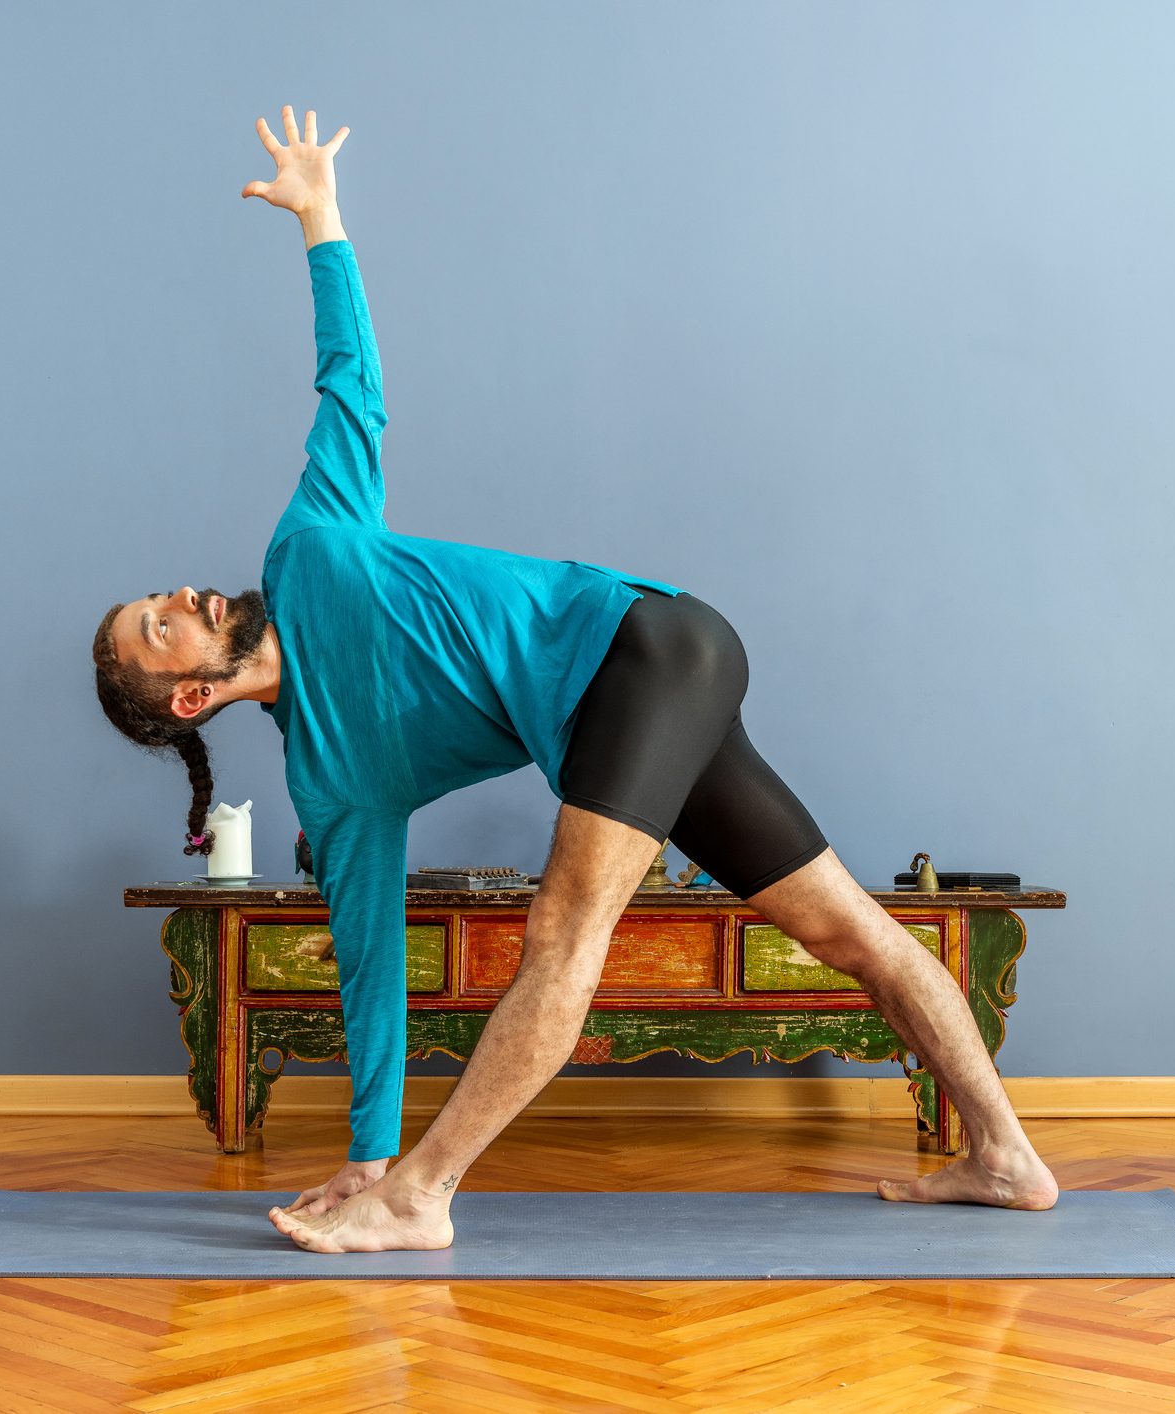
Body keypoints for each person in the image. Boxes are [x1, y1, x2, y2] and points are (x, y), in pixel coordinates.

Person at [91, 106, 1059, 1254]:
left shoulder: (306, 546)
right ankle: (1006, 1155)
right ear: (188, 696)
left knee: (565, 924)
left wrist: (320, 218)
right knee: (848, 928)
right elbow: (368, 962)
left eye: (171, 595)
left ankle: (424, 1196)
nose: (188, 598)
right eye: (161, 626)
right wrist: (361, 1148)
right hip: (654, 694)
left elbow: (352, 384)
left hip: (646, 647)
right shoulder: (334, 785)